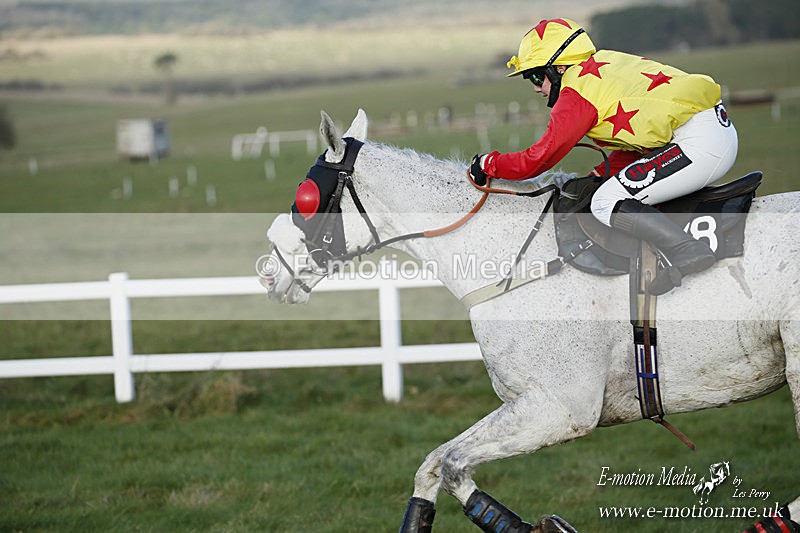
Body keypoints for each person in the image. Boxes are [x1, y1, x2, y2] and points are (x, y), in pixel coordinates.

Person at [468, 18, 738, 295]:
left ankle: (687, 250)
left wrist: (490, 163)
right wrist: (603, 172)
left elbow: (540, 158)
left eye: (537, 76)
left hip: (700, 143)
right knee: (609, 186)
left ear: (559, 68)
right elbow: (641, 141)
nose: (537, 88)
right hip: (708, 130)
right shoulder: (602, 63)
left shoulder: (576, 93)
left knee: (606, 201)